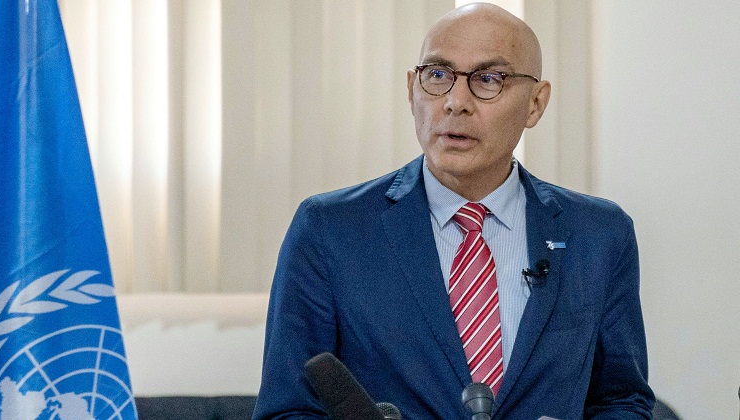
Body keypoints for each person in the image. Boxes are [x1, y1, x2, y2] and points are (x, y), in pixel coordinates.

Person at [253, 3, 654, 419]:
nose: (455, 102)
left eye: (489, 79)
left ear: (535, 104)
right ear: (412, 89)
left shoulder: (599, 235)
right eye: (438, 75)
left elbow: (622, 401)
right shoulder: (330, 230)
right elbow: (288, 410)